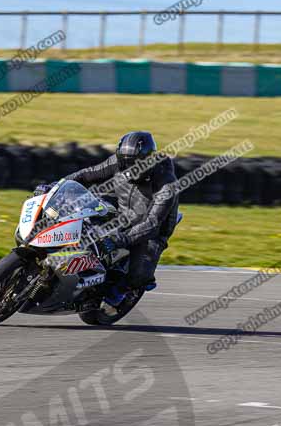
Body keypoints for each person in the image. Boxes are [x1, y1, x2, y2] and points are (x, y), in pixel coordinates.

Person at [34, 131, 179, 310]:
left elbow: (152, 223)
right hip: (122, 211)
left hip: (153, 230)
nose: (127, 168)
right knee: (81, 212)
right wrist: (54, 187)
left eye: (134, 163)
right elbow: (85, 175)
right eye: (124, 162)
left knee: (138, 276)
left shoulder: (166, 184)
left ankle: (122, 289)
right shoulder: (117, 163)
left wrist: (119, 239)